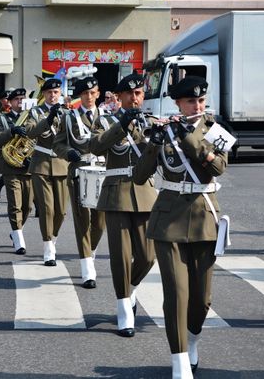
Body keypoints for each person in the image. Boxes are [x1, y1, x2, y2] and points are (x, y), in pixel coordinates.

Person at [133, 76, 228, 377]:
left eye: (201, 100)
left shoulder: (215, 130)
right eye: (190, 101)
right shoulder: (164, 130)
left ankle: (193, 339)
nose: (197, 106)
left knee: (202, 300)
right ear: (178, 103)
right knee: (176, 293)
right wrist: (154, 143)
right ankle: (180, 359)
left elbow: (217, 167)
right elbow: (139, 176)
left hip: (204, 219)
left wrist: (187, 137)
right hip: (169, 220)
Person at [89, 73, 157, 337]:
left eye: (139, 93)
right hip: (116, 194)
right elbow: (96, 146)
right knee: (119, 256)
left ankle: (132, 287)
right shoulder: (105, 120)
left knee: (147, 256)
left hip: (145, 194)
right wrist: (122, 125)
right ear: (119, 97)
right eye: (129, 94)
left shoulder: (151, 122)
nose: (135, 98)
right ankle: (123, 308)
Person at [53, 77, 106, 289]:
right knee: (82, 220)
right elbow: (58, 144)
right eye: (85, 94)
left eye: (93, 93)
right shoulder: (69, 118)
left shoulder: (107, 117)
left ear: (98, 93)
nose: (89, 97)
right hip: (79, 171)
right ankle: (87, 268)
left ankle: (90, 252)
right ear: (80, 96)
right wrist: (68, 152)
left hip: (103, 171)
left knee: (100, 222)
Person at [25, 78, 69, 266]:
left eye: (56, 92)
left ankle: (53, 237)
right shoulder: (35, 112)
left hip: (62, 164)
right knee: (47, 209)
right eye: (49, 92)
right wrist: (48, 119)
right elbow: (30, 132)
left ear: (61, 94)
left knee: (61, 211)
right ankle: (48, 247)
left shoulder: (67, 113)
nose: (53, 95)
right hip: (41, 163)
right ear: (44, 94)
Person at [0, 88, 33, 255]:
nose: (20, 102)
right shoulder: (2, 118)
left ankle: (16, 231)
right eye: (17, 99)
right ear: (11, 102)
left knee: (28, 206)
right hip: (10, 167)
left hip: (28, 166)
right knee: (15, 204)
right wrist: (11, 131)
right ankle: (19, 239)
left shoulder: (32, 117)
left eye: (23, 99)